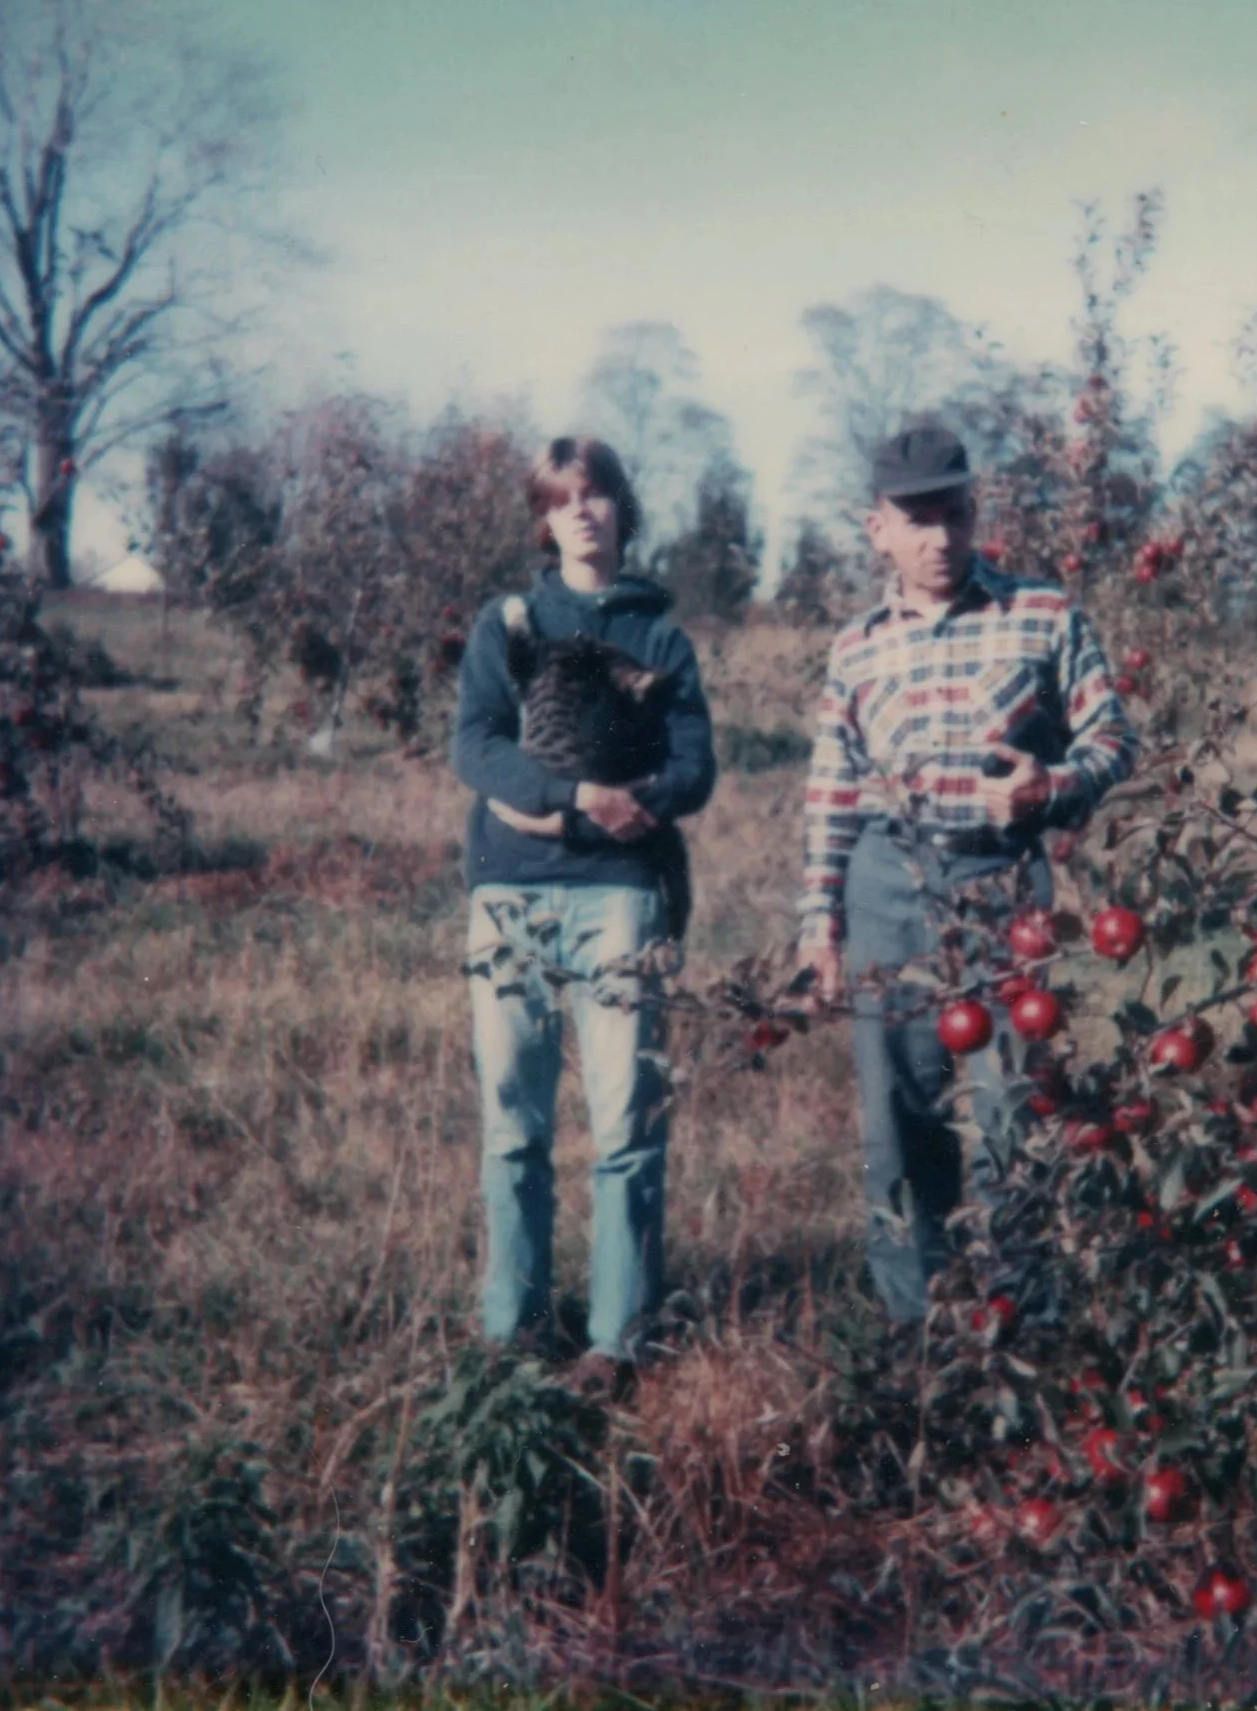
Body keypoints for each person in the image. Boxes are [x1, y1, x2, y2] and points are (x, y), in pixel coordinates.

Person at [796, 423, 1137, 1323]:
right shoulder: (855, 648)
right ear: (876, 528)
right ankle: (920, 1339)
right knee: (899, 1124)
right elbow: (832, 792)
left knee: (1011, 1113)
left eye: (951, 515)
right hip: (886, 888)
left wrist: (1051, 786)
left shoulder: (1044, 614)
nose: (936, 538)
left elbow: (1114, 740)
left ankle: (1027, 1329)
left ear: (973, 513)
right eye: (914, 519)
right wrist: (819, 920)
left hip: (1001, 891)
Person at [451, 435, 716, 1393]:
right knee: (513, 1121)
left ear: (621, 511)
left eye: (599, 496)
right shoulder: (509, 622)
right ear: (545, 518)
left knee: (624, 1124)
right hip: (513, 890)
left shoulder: (661, 637)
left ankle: (617, 1340)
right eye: (565, 501)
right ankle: (511, 1326)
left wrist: (636, 796)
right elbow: (475, 747)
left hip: (620, 895)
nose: (584, 514)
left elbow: (696, 768)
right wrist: (568, 796)